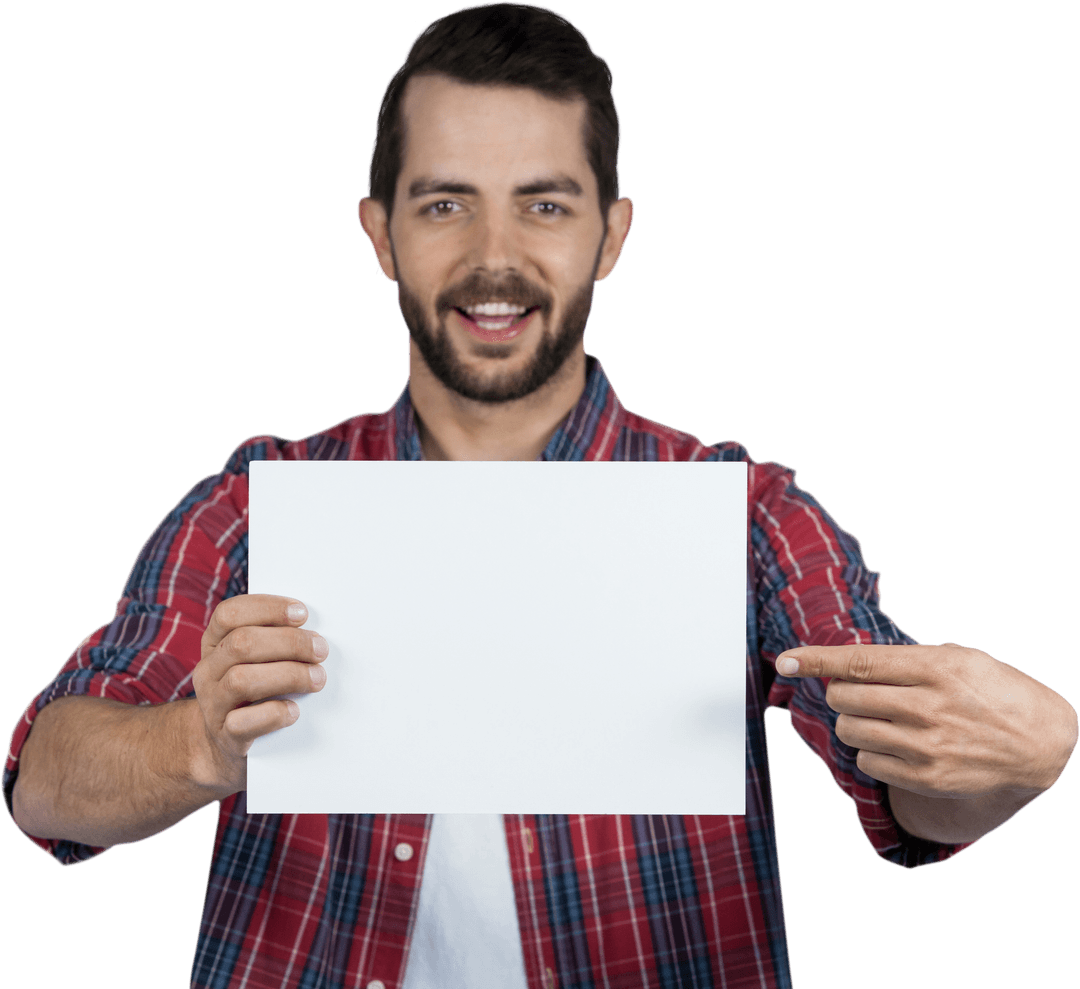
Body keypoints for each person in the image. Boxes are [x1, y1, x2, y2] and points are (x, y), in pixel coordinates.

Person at [5, 5, 1076, 989]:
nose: (495, 259)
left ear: (610, 234)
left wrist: (1017, 765)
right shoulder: (259, 504)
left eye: (545, 205)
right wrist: (200, 742)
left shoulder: (743, 514)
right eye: (444, 204)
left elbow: (906, 794)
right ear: (381, 235)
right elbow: (43, 784)